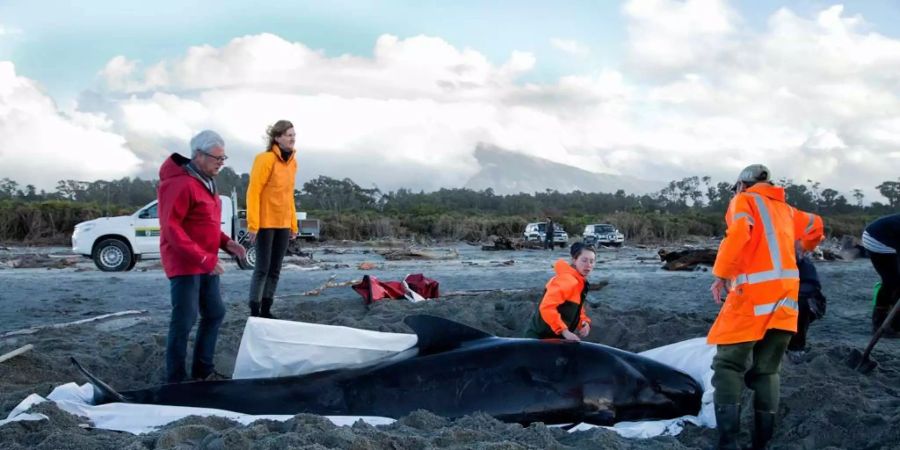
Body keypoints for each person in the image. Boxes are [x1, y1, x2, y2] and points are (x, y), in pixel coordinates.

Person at [707, 164, 822, 450]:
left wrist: (721, 274)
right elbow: (816, 226)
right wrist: (804, 247)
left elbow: (737, 235)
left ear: (743, 185)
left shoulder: (744, 201)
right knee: (767, 370)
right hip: (785, 303)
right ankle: (763, 442)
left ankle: (728, 442)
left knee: (728, 364)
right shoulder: (788, 211)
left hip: (751, 300)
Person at [158, 130, 246, 383]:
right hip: (186, 264)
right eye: (217, 157)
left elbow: (204, 224)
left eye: (223, 158)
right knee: (184, 320)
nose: (221, 162)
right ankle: (175, 380)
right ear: (198, 155)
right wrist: (205, 259)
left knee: (215, 313)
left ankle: (202, 371)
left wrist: (227, 243)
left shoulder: (206, 181)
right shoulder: (179, 183)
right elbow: (171, 229)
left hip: (206, 262)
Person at [246, 120, 299, 319]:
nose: (293, 138)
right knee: (262, 269)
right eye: (288, 135)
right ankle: (255, 311)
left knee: (275, 270)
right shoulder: (265, 159)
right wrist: (253, 224)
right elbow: (254, 192)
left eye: (294, 135)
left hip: (283, 223)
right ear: (277, 138)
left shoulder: (293, 163)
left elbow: (288, 195)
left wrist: (293, 224)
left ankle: (267, 310)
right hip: (265, 223)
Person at [524, 242, 594, 340]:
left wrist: (583, 322)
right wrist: (565, 332)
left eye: (592, 261)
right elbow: (547, 307)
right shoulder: (566, 280)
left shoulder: (579, 282)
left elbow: (576, 308)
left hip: (556, 338)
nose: (588, 265)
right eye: (584, 260)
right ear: (574, 260)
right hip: (539, 339)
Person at [861, 213, 900, 337]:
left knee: (894, 282)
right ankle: (883, 323)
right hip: (877, 239)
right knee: (892, 282)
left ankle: (893, 321)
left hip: (889, 239)